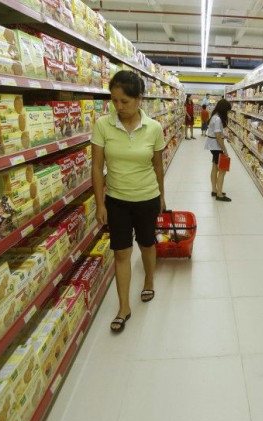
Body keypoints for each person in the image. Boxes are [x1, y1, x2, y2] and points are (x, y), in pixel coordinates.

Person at [91, 71, 166, 333]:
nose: (118, 107)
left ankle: (148, 280)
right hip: (116, 200)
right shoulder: (103, 125)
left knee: (147, 244)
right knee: (121, 252)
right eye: (114, 101)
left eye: (124, 101)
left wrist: (162, 196)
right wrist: (100, 204)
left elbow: (157, 165)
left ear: (139, 99)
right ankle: (123, 307)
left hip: (147, 197)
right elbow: (97, 166)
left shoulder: (154, 127)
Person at [205, 99, 232, 201]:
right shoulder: (218, 119)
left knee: (214, 168)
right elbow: (217, 136)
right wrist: (224, 150)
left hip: (213, 145)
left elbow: (218, 133)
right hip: (216, 146)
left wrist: (226, 136)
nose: (227, 113)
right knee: (222, 170)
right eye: (227, 111)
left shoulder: (215, 116)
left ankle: (214, 190)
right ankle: (219, 194)